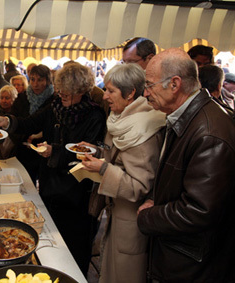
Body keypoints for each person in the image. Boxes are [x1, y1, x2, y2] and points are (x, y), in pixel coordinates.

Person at [0, 62, 106, 276]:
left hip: (77, 194)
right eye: (60, 91)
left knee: (74, 247)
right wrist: (5, 121)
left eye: (67, 93)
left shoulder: (95, 116)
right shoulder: (55, 107)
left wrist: (56, 151)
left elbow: (89, 154)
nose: (61, 95)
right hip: (51, 186)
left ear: (81, 91)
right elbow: (29, 123)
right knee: (52, 242)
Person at [137, 48, 235, 282]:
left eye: (149, 85)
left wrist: (149, 216)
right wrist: (157, 199)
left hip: (193, 265)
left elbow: (199, 211)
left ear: (175, 84)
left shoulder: (209, 133)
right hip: (183, 256)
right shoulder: (187, 118)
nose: (145, 92)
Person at [80, 64, 166, 283]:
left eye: (111, 91)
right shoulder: (122, 120)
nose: (105, 95)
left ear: (130, 94)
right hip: (117, 215)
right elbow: (117, 156)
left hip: (131, 222)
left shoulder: (143, 131)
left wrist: (103, 169)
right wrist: (97, 152)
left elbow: (140, 186)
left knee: (124, 275)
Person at [12, 64, 55, 183]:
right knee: (25, 184)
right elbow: (14, 123)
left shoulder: (54, 100)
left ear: (47, 80)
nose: (35, 84)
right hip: (24, 151)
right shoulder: (22, 98)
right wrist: (24, 139)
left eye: (40, 80)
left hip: (46, 153)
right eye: (32, 79)